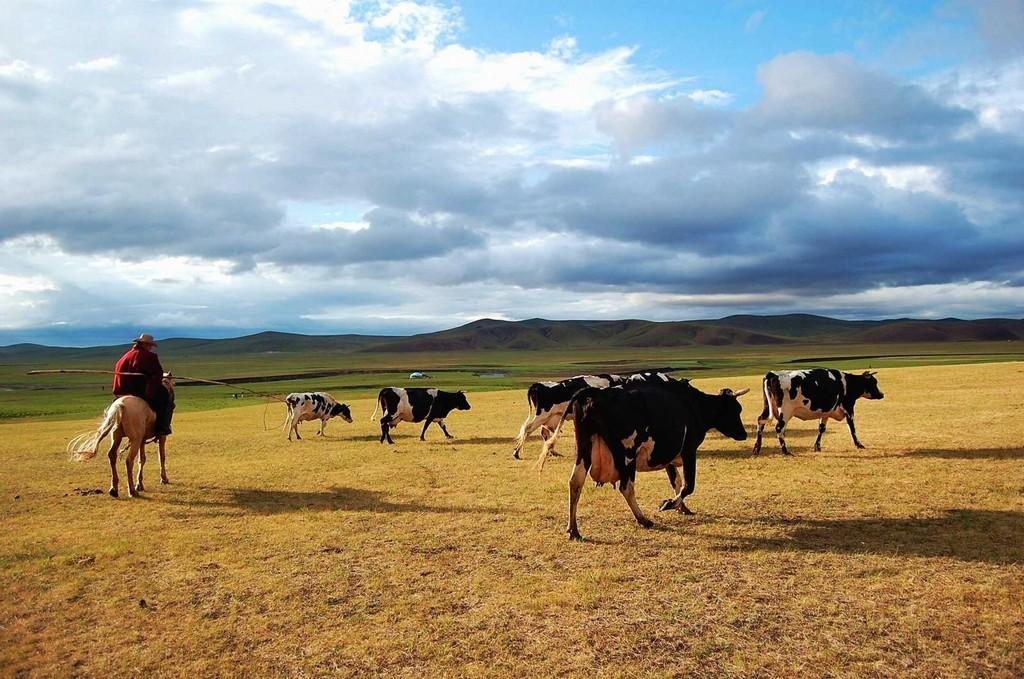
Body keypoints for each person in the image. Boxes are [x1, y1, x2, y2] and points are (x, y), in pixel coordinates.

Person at [112, 333, 173, 436]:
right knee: (165, 397)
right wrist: (154, 384)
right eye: (149, 345)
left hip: (121, 392)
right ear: (143, 344)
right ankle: (162, 427)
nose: (150, 348)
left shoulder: (124, 357)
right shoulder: (149, 356)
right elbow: (157, 374)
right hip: (139, 392)